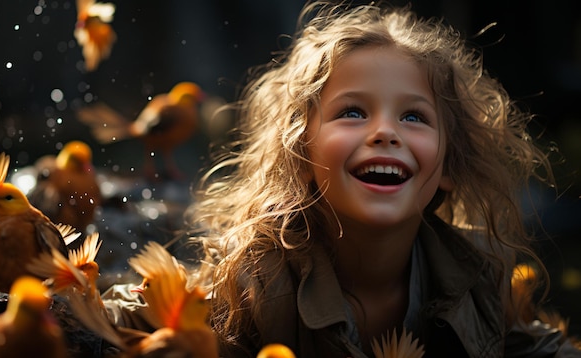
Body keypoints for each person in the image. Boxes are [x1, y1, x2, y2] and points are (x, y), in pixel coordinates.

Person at [180, 1, 581, 357]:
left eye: (413, 117)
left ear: (450, 166)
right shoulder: (253, 286)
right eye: (353, 112)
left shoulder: (479, 282)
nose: (385, 132)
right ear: (299, 154)